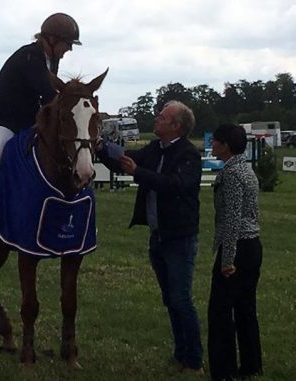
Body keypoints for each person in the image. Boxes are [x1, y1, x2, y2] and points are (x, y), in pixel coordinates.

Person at [96, 100, 204, 374]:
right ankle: (180, 355)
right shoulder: (156, 148)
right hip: (159, 237)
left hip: (179, 238)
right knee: (170, 299)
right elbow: (125, 161)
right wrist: (99, 147)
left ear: (176, 126)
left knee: (181, 299)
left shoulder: (188, 155)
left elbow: (174, 186)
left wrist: (138, 173)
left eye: (162, 117)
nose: (156, 119)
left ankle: (194, 361)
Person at [0, 12, 81, 242]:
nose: (68, 50)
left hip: (28, 120)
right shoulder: (30, 56)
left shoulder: (52, 61)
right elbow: (49, 95)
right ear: (51, 39)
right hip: (4, 120)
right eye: (67, 44)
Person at [208, 124, 263, 381]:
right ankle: (251, 364)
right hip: (253, 245)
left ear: (226, 145)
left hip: (237, 246)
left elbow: (231, 219)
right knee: (245, 308)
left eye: (216, 141)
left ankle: (224, 370)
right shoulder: (247, 169)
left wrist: (227, 259)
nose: (212, 145)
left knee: (220, 311)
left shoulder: (230, 174)